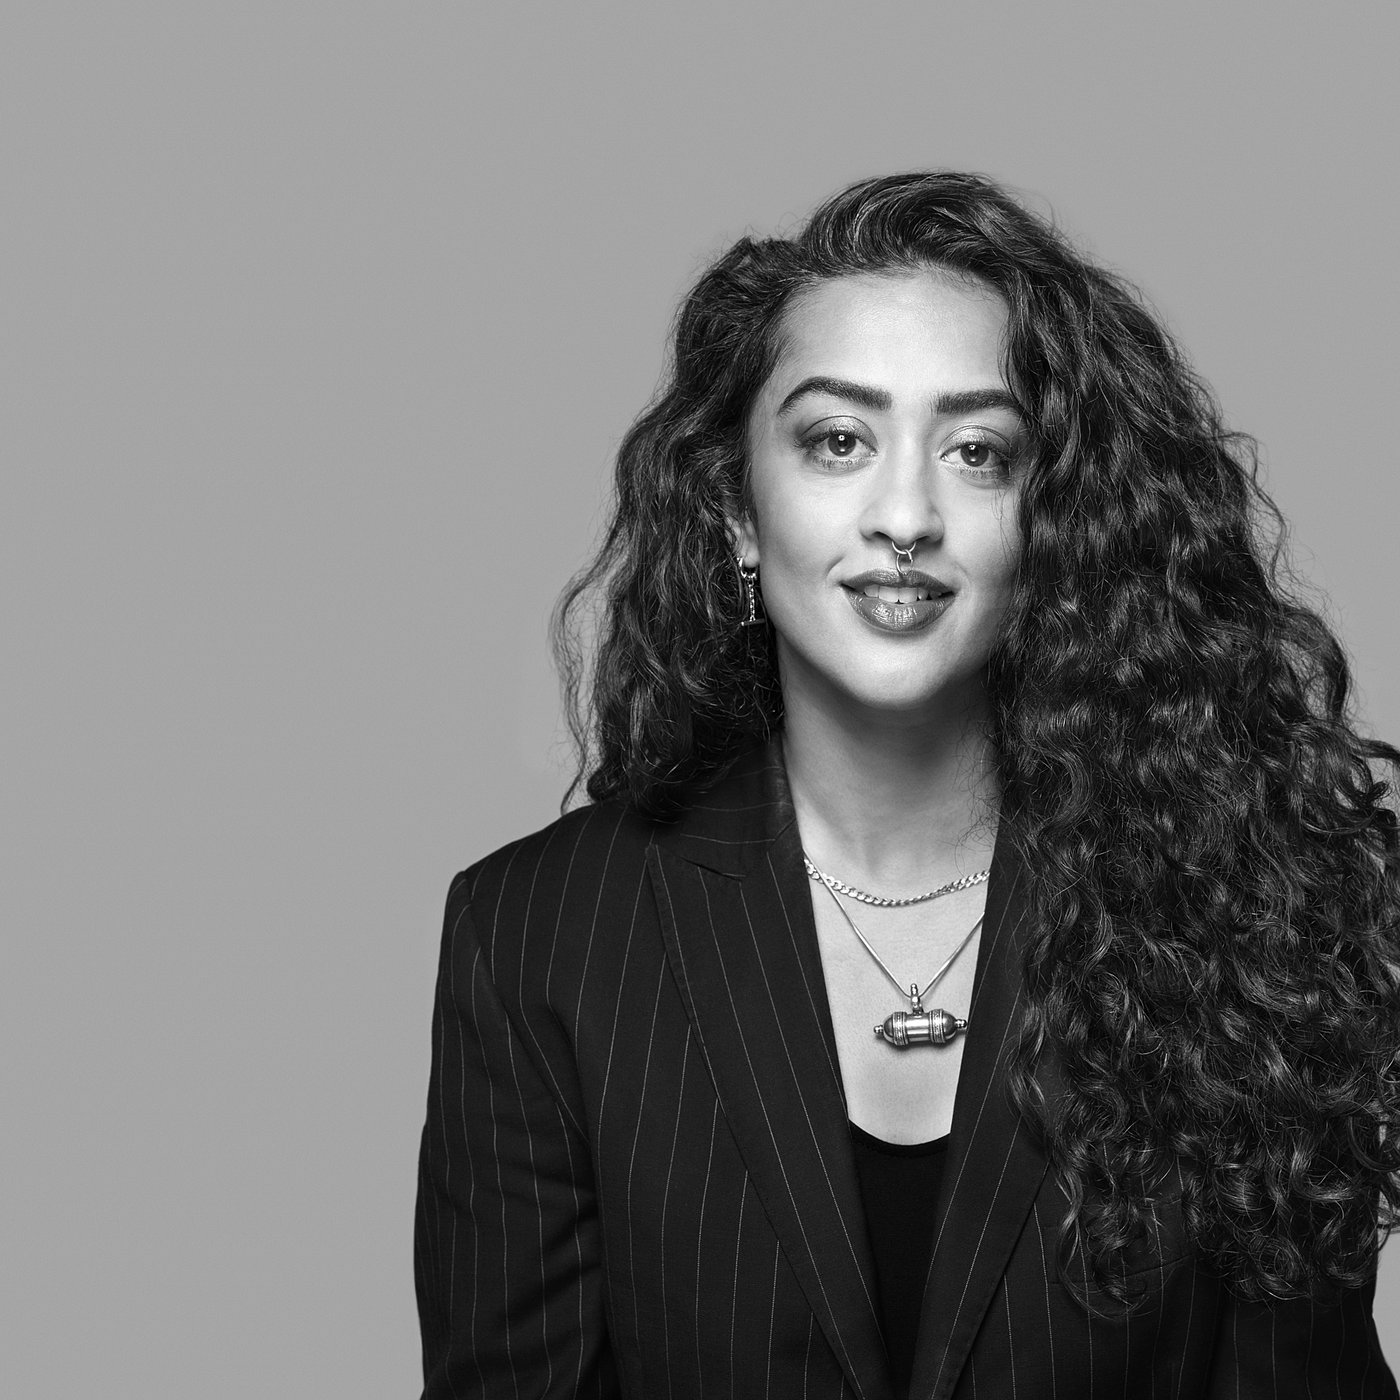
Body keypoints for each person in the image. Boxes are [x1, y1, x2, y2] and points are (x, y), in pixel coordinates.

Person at [414, 172, 1400, 1398]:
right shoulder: (538, 937)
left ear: (1053, 519)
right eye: (838, 440)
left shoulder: (1242, 914)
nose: (903, 514)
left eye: (977, 451)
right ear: (732, 505)